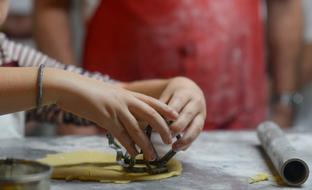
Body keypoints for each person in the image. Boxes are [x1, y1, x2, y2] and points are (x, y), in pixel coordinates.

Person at [34, 0, 303, 129]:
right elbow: (51, 7)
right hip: (117, 123)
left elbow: (286, 5)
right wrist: (73, 114)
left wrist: (285, 102)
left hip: (240, 119)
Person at [0, 0, 206, 159]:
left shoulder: (10, 57)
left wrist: (177, 88)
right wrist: (56, 85)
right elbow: (64, 87)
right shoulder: (46, 79)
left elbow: (107, 93)